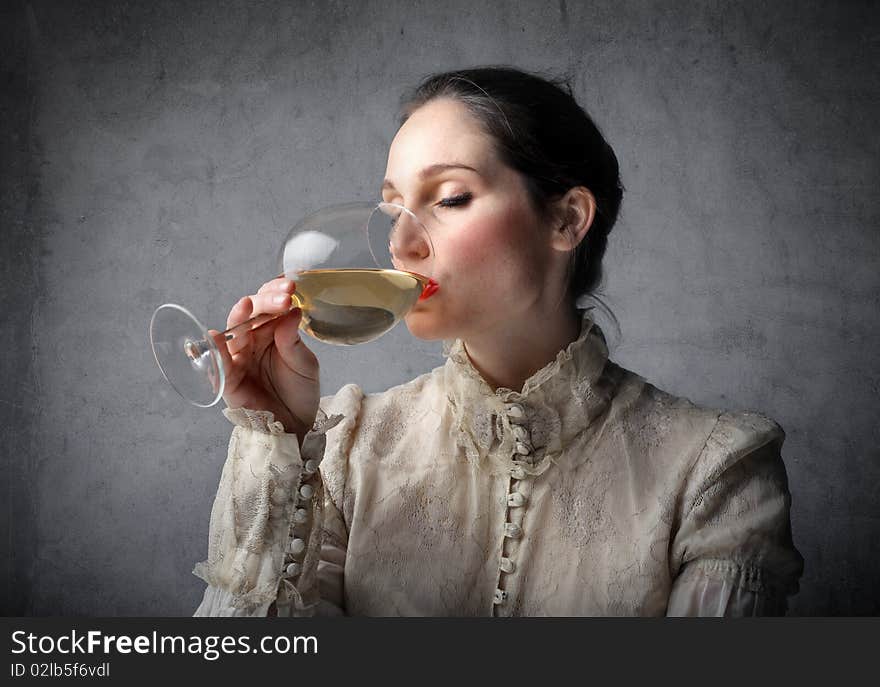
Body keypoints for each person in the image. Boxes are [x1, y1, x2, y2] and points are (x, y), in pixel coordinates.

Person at [192, 66, 804, 617]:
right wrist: (273, 441)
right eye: (393, 208)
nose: (400, 246)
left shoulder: (715, 470)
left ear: (567, 220)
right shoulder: (343, 448)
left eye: (451, 198)